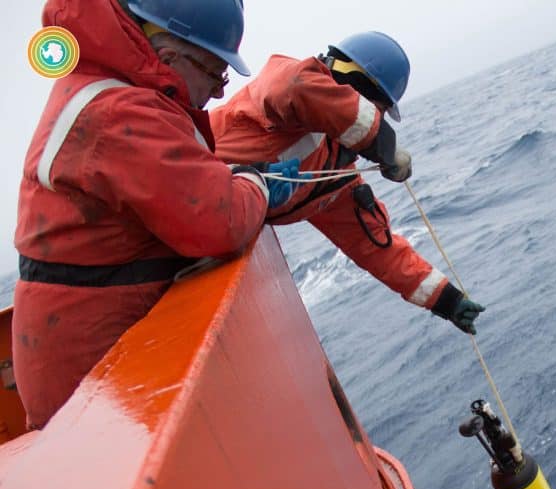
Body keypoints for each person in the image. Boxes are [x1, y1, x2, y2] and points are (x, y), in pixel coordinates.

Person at [13, 0, 298, 428]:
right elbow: (222, 223)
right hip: (89, 386)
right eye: (214, 71)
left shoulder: (109, 91)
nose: (220, 92)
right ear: (168, 56)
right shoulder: (121, 112)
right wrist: (256, 184)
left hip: (92, 363)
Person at [210, 31, 486, 336]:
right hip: (168, 193)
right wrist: (382, 144)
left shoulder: (335, 178)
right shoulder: (289, 83)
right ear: (359, 89)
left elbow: (376, 247)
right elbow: (296, 84)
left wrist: (447, 301)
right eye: (378, 111)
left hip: (200, 235)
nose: (377, 119)